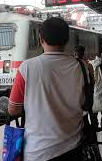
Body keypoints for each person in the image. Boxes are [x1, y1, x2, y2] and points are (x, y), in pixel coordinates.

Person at [9, 17, 85, 160]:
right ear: (67, 39)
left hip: (38, 152)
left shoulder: (27, 67)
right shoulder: (82, 67)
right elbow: (86, 102)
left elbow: (13, 109)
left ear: (41, 39)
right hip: (73, 147)